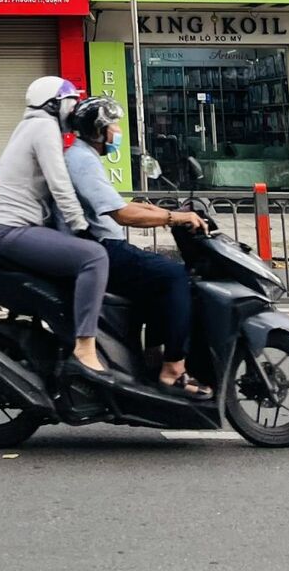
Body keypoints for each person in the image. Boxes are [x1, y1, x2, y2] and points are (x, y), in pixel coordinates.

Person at [64, 96, 211, 398]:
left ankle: (150, 359)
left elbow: (118, 203)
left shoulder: (83, 156)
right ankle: (173, 370)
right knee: (175, 277)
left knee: (156, 279)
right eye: (113, 125)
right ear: (98, 131)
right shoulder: (81, 160)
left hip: (103, 244)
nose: (118, 131)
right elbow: (121, 214)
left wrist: (164, 212)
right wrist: (173, 218)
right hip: (102, 247)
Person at [0, 76, 114, 388]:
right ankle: (85, 348)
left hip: (7, 227)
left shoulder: (31, 125)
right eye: (70, 102)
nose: (74, 109)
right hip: (12, 229)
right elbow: (59, 184)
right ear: (55, 104)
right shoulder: (44, 128)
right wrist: (82, 227)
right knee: (94, 257)